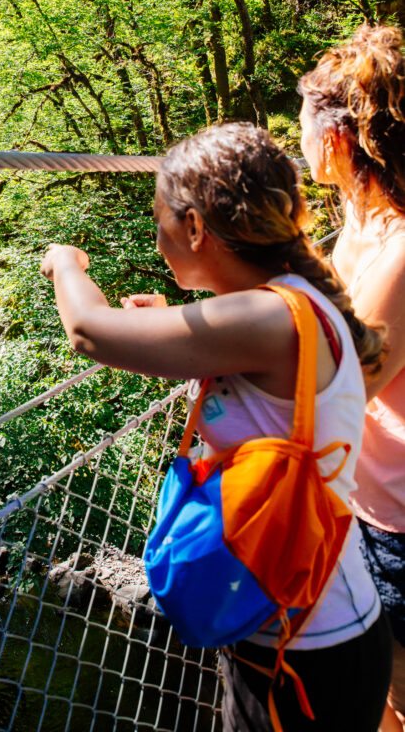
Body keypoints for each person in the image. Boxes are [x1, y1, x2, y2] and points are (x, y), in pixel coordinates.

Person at [40, 122, 391, 731]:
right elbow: (239, 344)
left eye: (160, 222)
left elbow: (87, 330)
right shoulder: (283, 301)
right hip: (306, 622)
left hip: (305, 650)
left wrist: (66, 264)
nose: (156, 239)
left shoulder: (269, 317)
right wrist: (174, 321)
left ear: (197, 227)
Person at [299, 23, 405, 732]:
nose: (295, 136)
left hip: (399, 520)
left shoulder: (399, 245)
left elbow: (347, 381)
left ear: (335, 140)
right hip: (362, 502)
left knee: (397, 691)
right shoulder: (358, 223)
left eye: (301, 120)